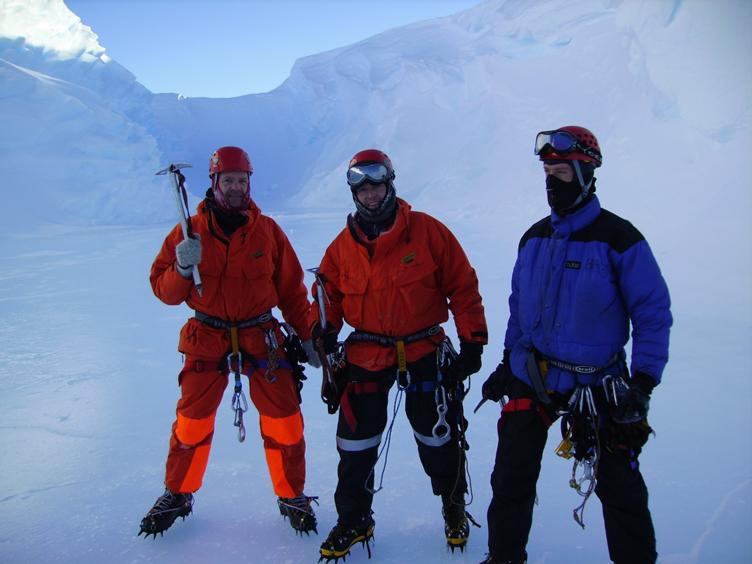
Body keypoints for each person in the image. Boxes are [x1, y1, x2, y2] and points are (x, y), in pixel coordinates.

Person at [479, 126, 672, 564]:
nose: (551, 182)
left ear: (586, 173)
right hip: (537, 373)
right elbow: (519, 310)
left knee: (620, 487)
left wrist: (642, 382)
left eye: (561, 171)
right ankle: (503, 557)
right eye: (547, 171)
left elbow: (652, 312)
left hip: (600, 382)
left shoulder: (619, 239)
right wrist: (508, 362)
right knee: (511, 475)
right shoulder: (534, 239)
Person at [311, 149, 488, 561]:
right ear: (354, 194)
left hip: (424, 347)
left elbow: (462, 287)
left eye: (377, 186)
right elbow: (327, 299)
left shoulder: (428, 232)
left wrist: (473, 341)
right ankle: (355, 518)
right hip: (367, 351)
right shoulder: (341, 248)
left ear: (390, 184)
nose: (371, 196)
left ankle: (453, 505)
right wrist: (322, 332)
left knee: (437, 434)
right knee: (355, 442)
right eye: (363, 189)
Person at [139, 146, 321, 538]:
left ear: (249, 183)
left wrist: (307, 335)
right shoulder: (188, 231)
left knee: (285, 421)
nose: (236, 187)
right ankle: (179, 492)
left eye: (242, 180)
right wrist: (183, 267)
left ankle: (292, 494)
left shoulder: (268, 231)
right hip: (207, 335)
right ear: (214, 182)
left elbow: (291, 290)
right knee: (191, 422)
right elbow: (163, 290)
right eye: (229, 180)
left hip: (263, 337)